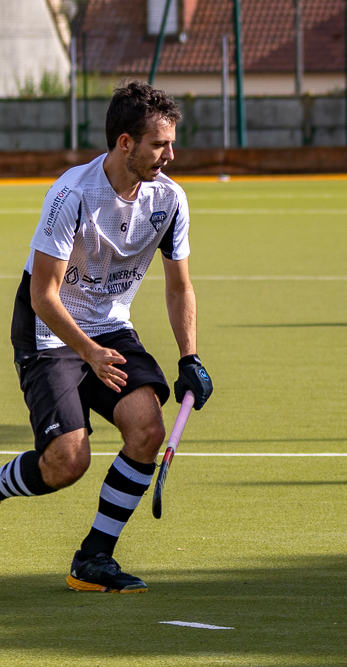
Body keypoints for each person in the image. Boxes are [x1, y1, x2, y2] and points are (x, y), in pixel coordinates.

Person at [0, 80, 213, 593]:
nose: (171, 154)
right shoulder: (71, 193)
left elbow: (179, 285)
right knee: (65, 462)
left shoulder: (169, 198)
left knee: (146, 430)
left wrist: (191, 356)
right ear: (125, 143)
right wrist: (89, 353)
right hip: (50, 330)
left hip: (110, 324)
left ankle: (93, 559)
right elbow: (44, 294)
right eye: (159, 144)